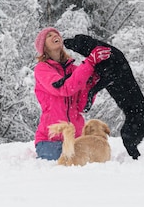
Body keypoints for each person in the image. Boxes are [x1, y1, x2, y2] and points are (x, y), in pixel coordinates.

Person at [33, 27, 111, 160]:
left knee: (96, 159)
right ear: (44, 47)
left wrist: (94, 79)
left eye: (56, 33)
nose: (54, 36)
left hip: (77, 139)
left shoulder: (74, 70)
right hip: (50, 141)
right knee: (68, 163)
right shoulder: (42, 69)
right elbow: (64, 87)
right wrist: (90, 63)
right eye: (49, 35)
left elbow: (82, 106)